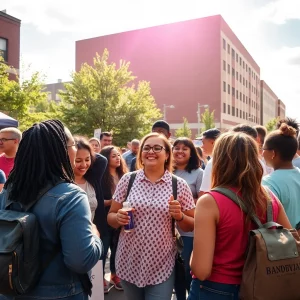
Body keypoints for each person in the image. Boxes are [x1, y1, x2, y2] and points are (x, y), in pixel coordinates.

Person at [0, 120, 103, 300]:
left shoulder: (9, 190)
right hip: (61, 294)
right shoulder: (71, 197)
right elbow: (81, 261)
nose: (74, 150)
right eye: (72, 145)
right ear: (61, 151)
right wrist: (95, 236)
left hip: (13, 290)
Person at [189, 131, 291, 300]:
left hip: (217, 288)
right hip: (261, 287)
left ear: (219, 161)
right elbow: (289, 241)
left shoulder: (210, 202)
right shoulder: (268, 197)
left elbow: (201, 270)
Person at [107, 132, 195, 300]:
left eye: (157, 148)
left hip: (161, 263)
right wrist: (117, 218)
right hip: (128, 260)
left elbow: (191, 224)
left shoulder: (179, 185)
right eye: (146, 148)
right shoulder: (128, 180)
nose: (151, 151)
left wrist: (180, 216)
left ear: (167, 154)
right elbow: (110, 217)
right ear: (140, 154)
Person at [173, 137, 203, 299]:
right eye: (176, 148)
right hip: (166, 229)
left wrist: (183, 203)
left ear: (191, 153)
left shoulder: (199, 173)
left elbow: (204, 199)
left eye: (185, 148)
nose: (180, 151)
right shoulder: (166, 172)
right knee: (173, 271)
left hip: (187, 229)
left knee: (184, 269)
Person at [100, 146, 128, 293]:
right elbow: (97, 200)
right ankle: (100, 278)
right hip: (104, 217)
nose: (118, 158)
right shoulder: (100, 176)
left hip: (122, 216)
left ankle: (116, 275)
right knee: (103, 249)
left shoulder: (125, 175)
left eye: (119, 155)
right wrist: (113, 201)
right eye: (113, 156)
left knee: (117, 248)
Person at [262, 123, 300, 228]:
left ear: (273, 153)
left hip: (285, 242)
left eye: (263, 148)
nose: (262, 153)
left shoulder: (268, 183)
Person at [74, 137, 98, 221]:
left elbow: (103, 160)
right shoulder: (62, 184)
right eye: (78, 161)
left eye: (87, 159)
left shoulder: (93, 180)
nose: (84, 165)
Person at [199, 129, 221, 195]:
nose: (201, 146)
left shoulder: (213, 162)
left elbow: (204, 192)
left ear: (212, 143)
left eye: (203, 143)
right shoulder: (229, 159)